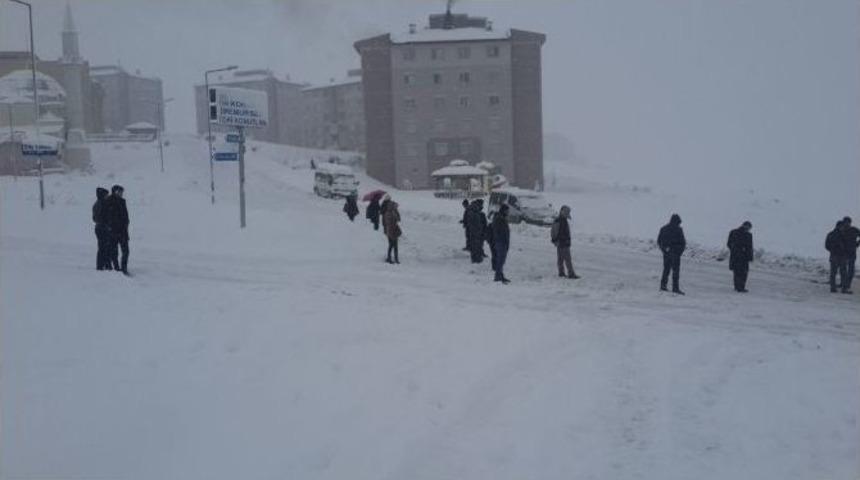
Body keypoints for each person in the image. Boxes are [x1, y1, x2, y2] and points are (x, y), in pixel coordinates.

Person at [104, 184, 130, 275]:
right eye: (120, 192)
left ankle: (124, 268)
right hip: (113, 232)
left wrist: (126, 224)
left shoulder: (123, 202)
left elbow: (125, 216)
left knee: (126, 251)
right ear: (115, 192)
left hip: (123, 232)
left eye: (122, 192)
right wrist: (110, 228)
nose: (122, 193)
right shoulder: (109, 202)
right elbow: (107, 218)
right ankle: (116, 268)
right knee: (114, 252)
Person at [657, 213, 686, 294]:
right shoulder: (679, 230)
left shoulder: (663, 229)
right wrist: (679, 252)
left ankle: (663, 285)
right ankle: (675, 288)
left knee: (666, 270)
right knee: (675, 271)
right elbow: (683, 243)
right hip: (675, 254)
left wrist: (664, 250)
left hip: (666, 253)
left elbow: (659, 241)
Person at [552, 205, 580, 279]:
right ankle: (570, 273)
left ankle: (561, 272)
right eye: (566, 213)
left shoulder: (563, 220)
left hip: (564, 242)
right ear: (563, 212)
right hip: (562, 242)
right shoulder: (558, 221)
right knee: (566, 259)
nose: (567, 215)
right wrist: (555, 240)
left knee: (561, 258)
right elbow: (554, 232)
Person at [726, 221, 754, 292]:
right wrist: (736, 250)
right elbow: (729, 243)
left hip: (740, 257)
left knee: (740, 272)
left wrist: (750, 257)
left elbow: (750, 247)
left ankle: (739, 287)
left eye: (749, 228)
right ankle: (739, 287)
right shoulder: (736, 232)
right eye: (748, 227)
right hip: (740, 256)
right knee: (740, 272)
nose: (748, 229)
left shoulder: (747, 235)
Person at [826, 220, 848, 293]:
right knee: (843, 273)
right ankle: (844, 289)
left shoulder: (831, 234)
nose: (843, 228)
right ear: (839, 226)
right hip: (841, 256)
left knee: (834, 273)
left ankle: (833, 288)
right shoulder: (843, 235)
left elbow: (827, 245)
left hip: (834, 256)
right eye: (842, 226)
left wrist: (832, 250)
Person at [92, 187, 111, 270]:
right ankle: (101, 266)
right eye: (106, 195)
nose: (107, 196)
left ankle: (104, 265)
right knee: (103, 248)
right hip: (102, 228)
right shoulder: (102, 204)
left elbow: (94, 218)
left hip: (99, 227)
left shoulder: (96, 204)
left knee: (103, 247)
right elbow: (104, 217)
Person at [491, 204, 511, 283]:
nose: (508, 212)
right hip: (501, 242)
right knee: (500, 260)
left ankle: (500, 275)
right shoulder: (500, 219)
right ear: (504, 210)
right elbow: (500, 232)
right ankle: (498, 276)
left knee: (501, 260)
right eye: (507, 211)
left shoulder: (501, 218)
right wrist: (503, 240)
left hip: (502, 242)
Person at [466, 199, 488, 263]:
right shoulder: (473, 212)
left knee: (477, 245)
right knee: (476, 245)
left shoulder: (476, 212)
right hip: (475, 233)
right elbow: (474, 224)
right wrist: (478, 231)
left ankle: (478, 256)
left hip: (477, 232)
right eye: (481, 205)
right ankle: (476, 259)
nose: (481, 206)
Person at [841, 216, 859, 293]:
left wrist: (857, 244)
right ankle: (844, 285)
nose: (847, 223)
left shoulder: (854, 230)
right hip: (843, 253)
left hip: (851, 253)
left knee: (850, 271)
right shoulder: (841, 230)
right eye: (845, 222)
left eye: (848, 222)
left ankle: (847, 285)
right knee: (843, 270)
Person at [382, 198, 401, 264]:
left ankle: (393, 258)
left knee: (393, 245)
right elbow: (396, 220)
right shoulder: (390, 213)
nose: (396, 207)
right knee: (393, 245)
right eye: (395, 206)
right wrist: (396, 212)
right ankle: (391, 258)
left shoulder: (390, 212)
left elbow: (398, 219)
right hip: (391, 231)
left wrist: (396, 212)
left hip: (391, 231)